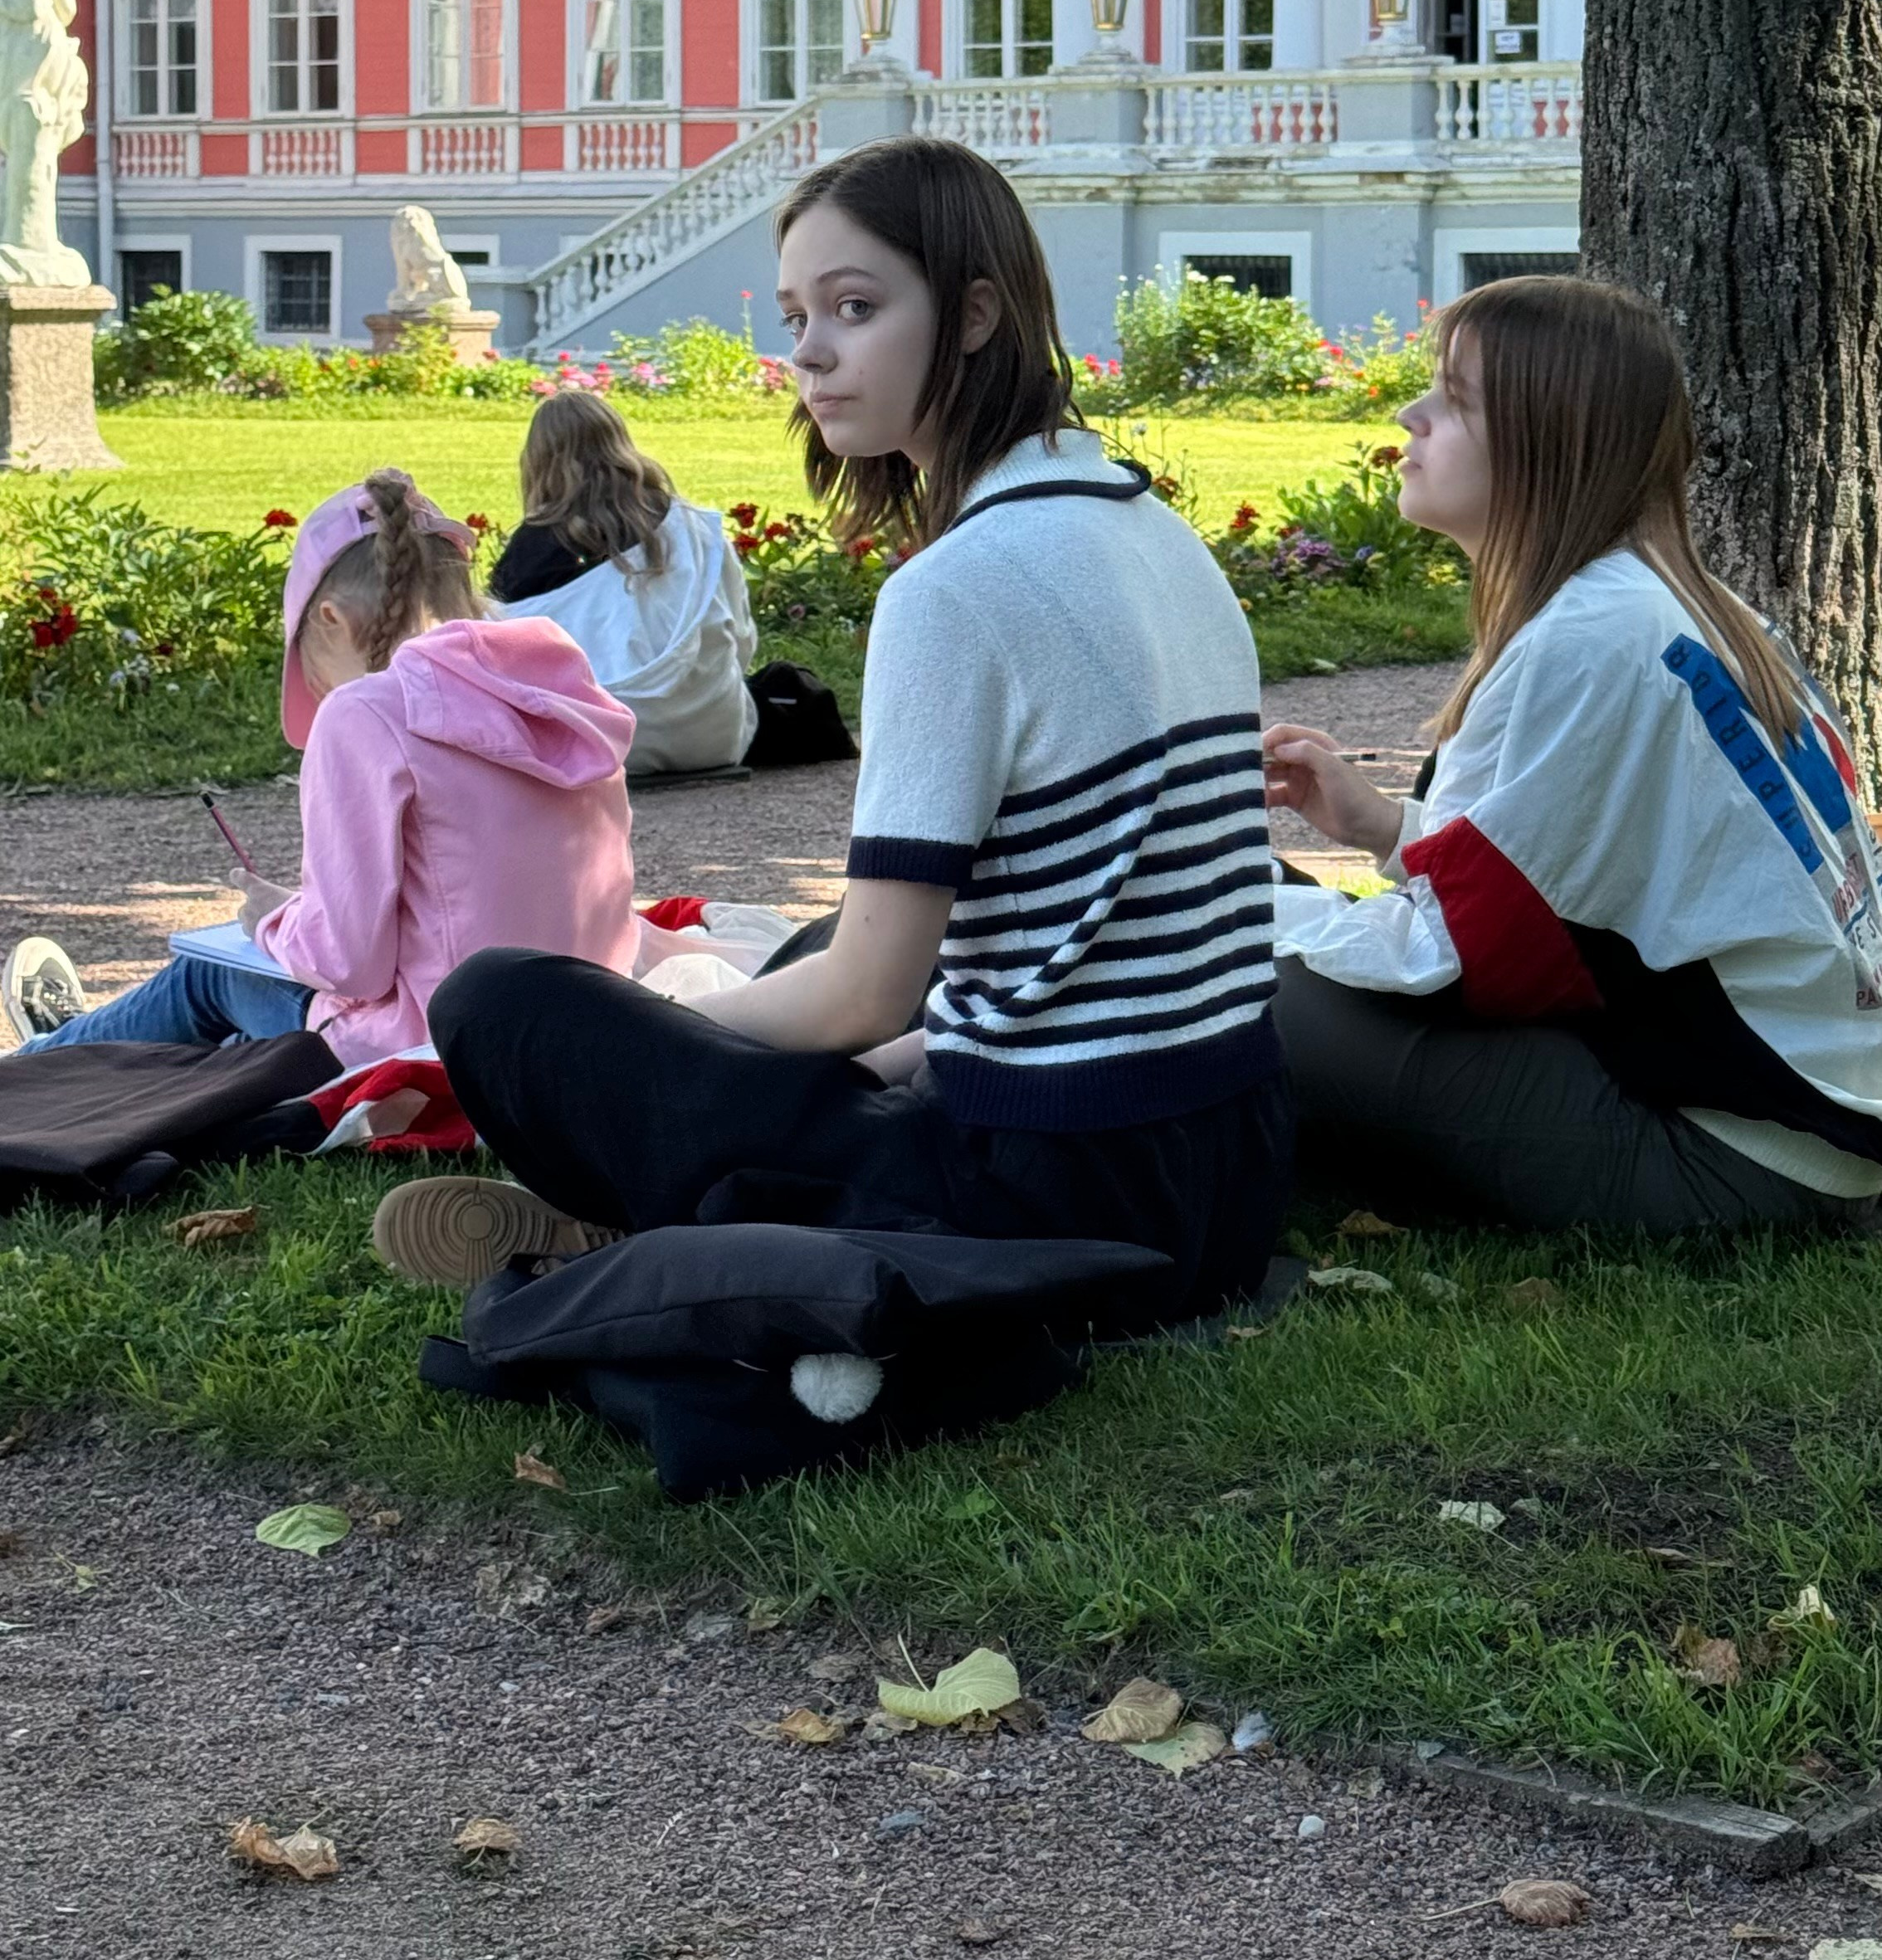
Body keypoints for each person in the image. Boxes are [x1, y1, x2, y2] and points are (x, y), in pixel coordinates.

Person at [370, 135, 1293, 1321]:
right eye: (800, 311)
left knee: (505, 1005)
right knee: (810, 954)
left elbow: (864, 1000)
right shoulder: (1150, 527)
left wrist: (678, 1021)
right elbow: (1067, 951)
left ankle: (681, 1196)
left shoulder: (957, 587)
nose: (807, 352)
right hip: (1231, 1167)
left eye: (854, 309)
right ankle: (697, 1179)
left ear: (973, 316)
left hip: (1055, 1193)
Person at [1265, 275, 1882, 1236]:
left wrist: (1251, 916)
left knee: (1218, 968)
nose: (1410, 415)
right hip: (1807, 1134)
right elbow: (1584, 893)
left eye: (1454, 400)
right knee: (1235, 912)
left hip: (1728, 1160)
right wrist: (1381, 827)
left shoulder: (1585, 640)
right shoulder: (1672, 604)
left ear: (1550, 439)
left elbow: (1484, 963)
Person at [0, 470, 645, 1067]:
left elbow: (349, 965)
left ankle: (45, 1059)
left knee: (214, 972)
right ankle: (77, 1040)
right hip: (581, 1025)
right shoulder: (554, 687)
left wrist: (272, 921)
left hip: (433, 1046)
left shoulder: (367, 713)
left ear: (330, 619)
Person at [489, 390, 763, 773]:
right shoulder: (696, 530)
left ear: (537, 462)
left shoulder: (527, 554)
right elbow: (743, 641)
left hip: (594, 744)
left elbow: (505, 667)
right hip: (716, 736)